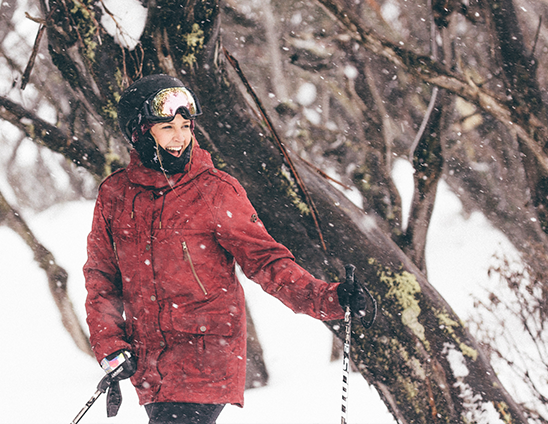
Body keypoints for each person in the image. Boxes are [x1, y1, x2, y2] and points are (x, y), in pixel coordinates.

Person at [83, 74, 370, 424]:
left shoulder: (215, 191)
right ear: (140, 132)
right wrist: (110, 344)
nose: (179, 138)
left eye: (185, 126)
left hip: (205, 355)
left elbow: (267, 261)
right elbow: (101, 278)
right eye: (167, 128)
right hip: (150, 364)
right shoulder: (115, 195)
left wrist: (328, 298)